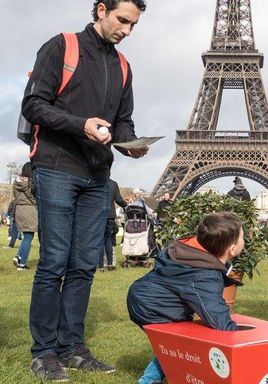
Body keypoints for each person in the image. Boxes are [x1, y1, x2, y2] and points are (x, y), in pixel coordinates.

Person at [21, 1, 148, 381]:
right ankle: (44, 352)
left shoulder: (123, 66)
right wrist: (81, 125)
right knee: (54, 263)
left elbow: (122, 121)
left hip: (98, 175)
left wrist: (132, 143)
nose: (126, 30)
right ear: (100, 9)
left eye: (133, 25)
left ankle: (72, 347)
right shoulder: (61, 46)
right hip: (58, 167)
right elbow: (33, 104)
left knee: (83, 266)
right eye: (122, 20)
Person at [127, 212, 244, 384]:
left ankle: (152, 379)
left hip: (142, 296)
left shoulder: (188, 249)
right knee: (180, 343)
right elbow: (218, 319)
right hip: (155, 307)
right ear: (232, 248)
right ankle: (149, 380)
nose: (245, 240)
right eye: (243, 237)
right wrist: (244, 342)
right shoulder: (204, 276)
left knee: (172, 344)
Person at [11, 163, 38, 271]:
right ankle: (22, 264)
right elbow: (31, 197)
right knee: (28, 237)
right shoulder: (29, 182)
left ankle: (18, 256)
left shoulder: (16, 182)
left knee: (26, 235)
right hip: (29, 210)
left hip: (19, 209)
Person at [99, 179, 126, 271]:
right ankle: (110, 264)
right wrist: (125, 205)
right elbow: (119, 200)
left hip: (98, 214)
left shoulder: (97, 181)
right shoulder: (113, 184)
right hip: (110, 214)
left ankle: (101, 265)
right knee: (108, 239)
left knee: (100, 240)